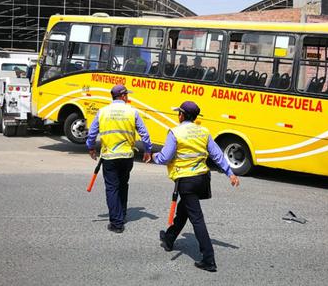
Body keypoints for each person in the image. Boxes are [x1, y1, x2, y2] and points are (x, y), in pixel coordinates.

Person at [152, 101, 240, 272]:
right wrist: (230, 173)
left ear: (182, 115)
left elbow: (165, 157)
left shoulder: (175, 132)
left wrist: (155, 156)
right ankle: (169, 239)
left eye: (179, 113)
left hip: (187, 180)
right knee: (184, 210)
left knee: (196, 218)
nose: (178, 115)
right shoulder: (203, 131)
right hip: (202, 179)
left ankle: (209, 259)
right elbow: (217, 155)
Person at [86, 84, 152, 233]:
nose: (128, 97)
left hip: (109, 156)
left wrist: (91, 148)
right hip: (127, 156)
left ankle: (116, 223)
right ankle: (121, 214)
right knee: (123, 184)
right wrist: (147, 150)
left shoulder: (102, 112)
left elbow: (92, 133)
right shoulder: (132, 112)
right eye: (127, 95)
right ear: (123, 96)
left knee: (112, 188)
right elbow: (144, 133)